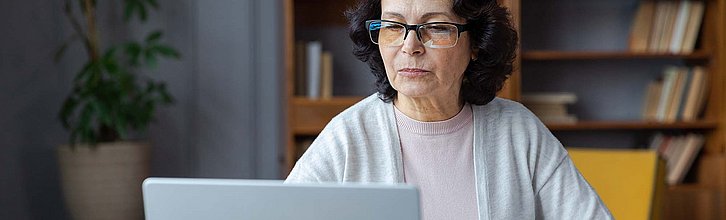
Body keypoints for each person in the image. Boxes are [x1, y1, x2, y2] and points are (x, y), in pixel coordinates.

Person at [286, 0, 613, 219]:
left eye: (437, 28)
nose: (410, 46)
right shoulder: (347, 136)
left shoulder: (519, 132)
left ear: (476, 43)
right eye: (393, 27)